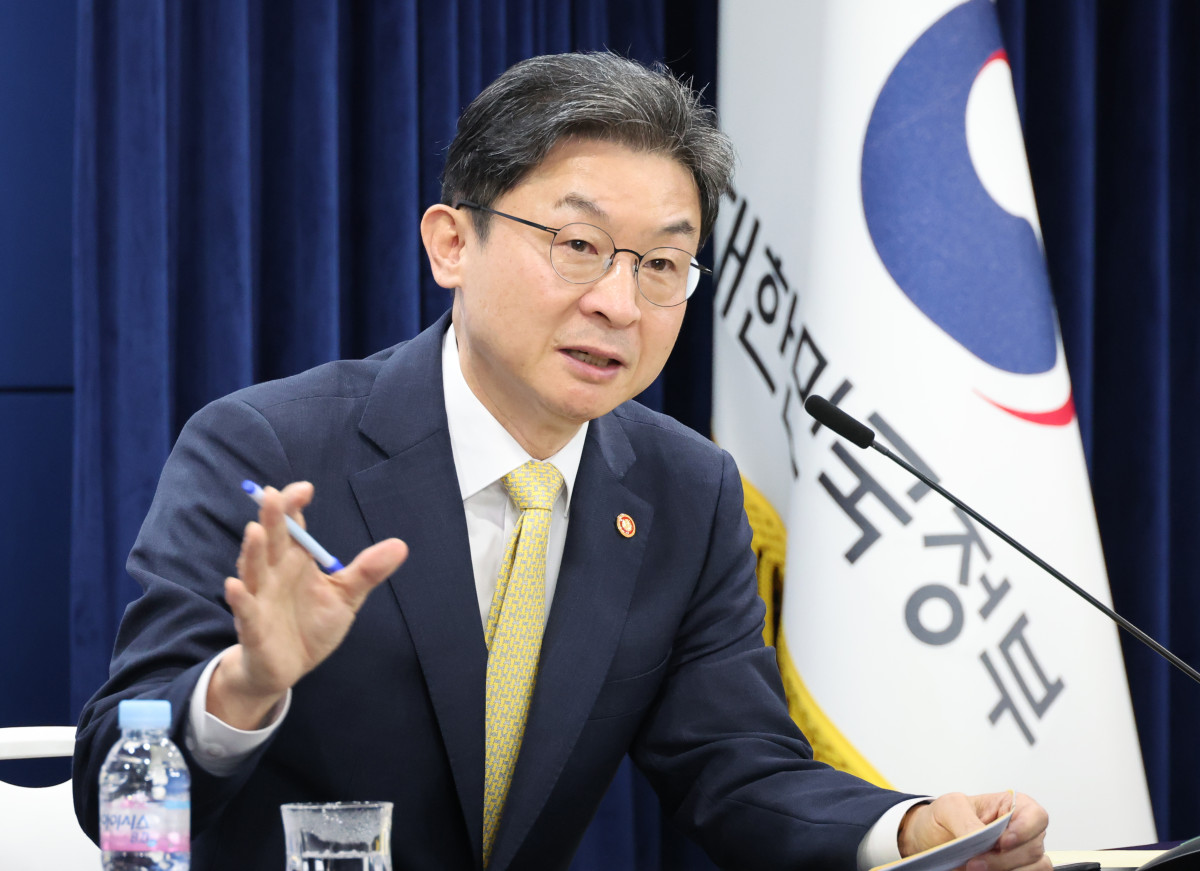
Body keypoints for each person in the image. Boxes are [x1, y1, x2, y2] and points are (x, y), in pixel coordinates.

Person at [73, 52, 1050, 871]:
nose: (619, 304)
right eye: (579, 244)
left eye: (661, 264)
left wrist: (912, 831)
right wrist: (243, 687)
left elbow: (736, 767)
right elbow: (110, 779)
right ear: (452, 244)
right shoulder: (272, 450)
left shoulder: (685, 488)